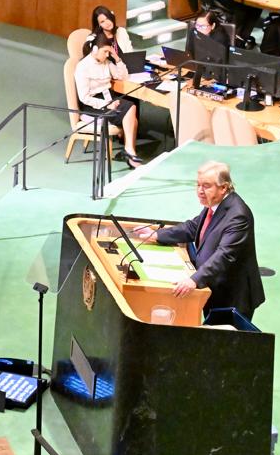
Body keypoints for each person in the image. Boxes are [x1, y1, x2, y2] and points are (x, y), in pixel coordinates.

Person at [136, 162, 265, 319]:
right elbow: (193, 227)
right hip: (214, 288)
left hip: (233, 296)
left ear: (223, 188)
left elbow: (224, 255)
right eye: (197, 185)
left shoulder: (238, 215)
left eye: (206, 186)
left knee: (225, 341)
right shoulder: (215, 203)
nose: (200, 191)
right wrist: (158, 235)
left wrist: (194, 280)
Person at [74, 39, 142, 168]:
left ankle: (129, 151)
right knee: (130, 108)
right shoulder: (82, 67)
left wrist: (117, 58)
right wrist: (106, 104)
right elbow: (84, 98)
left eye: (108, 52)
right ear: (94, 49)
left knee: (132, 113)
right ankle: (130, 152)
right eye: (105, 51)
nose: (107, 55)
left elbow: (123, 77)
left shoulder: (107, 62)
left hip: (108, 97)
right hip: (93, 104)